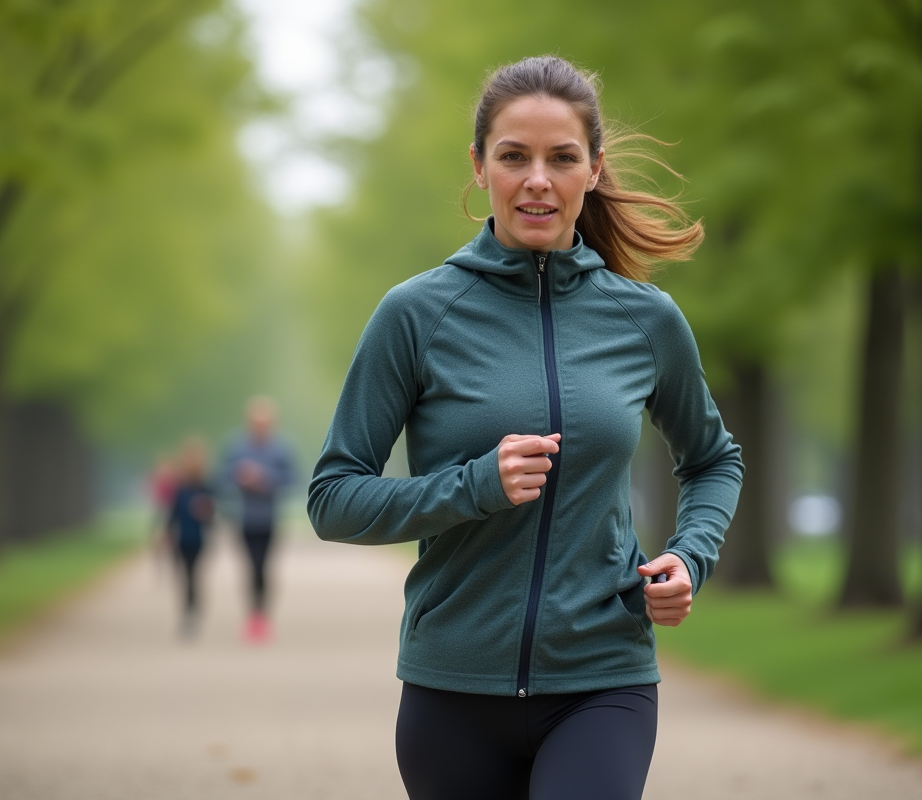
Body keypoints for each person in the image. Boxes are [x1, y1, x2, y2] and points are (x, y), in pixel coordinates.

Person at [308, 55, 744, 800]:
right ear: (480, 167)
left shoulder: (644, 321)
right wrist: (475, 485)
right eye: (514, 157)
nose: (537, 179)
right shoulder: (415, 315)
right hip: (452, 690)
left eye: (561, 158)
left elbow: (713, 460)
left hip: (602, 681)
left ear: (594, 169)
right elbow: (333, 498)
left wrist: (688, 558)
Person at [223, 396, 296, 643]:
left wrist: (265, 479)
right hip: (244, 518)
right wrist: (240, 477)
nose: (260, 427)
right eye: (256, 423)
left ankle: (262, 616)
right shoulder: (237, 446)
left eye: (265, 423)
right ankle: (253, 615)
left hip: (269, 519)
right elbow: (221, 477)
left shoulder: (281, 448)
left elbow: (293, 479)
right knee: (250, 567)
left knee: (264, 568)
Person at [165, 437, 216, 637]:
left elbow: (212, 514)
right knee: (185, 576)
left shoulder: (206, 485)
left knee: (194, 576)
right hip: (181, 539)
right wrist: (167, 533)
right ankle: (188, 612)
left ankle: (193, 611)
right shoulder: (180, 487)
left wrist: (206, 511)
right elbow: (172, 512)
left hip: (199, 539)